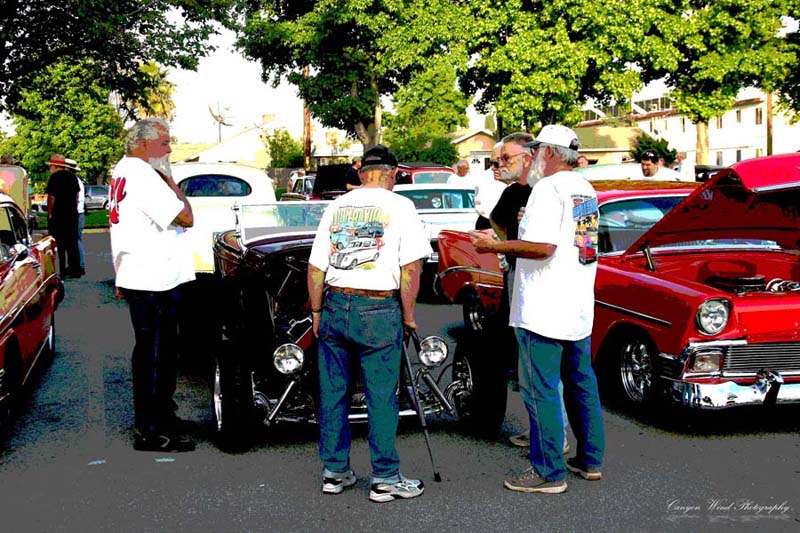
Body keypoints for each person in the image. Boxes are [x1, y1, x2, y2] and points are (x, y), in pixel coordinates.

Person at [471, 124, 606, 494]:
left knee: (542, 388)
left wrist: (494, 247)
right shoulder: (584, 188)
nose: (531, 157)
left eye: (536, 150)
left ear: (547, 152)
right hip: (577, 303)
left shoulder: (548, 189)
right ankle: (590, 459)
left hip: (545, 305)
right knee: (581, 382)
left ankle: (549, 472)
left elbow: (543, 247)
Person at [307, 144, 432, 502]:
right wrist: (408, 315)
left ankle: (335, 471)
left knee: (333, 393)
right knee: (381, 395)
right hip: (378, 307)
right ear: (392, 173)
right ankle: (385, 477)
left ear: (362, 174)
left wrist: (317, 312)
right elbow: (411, 268)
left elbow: (316, 267)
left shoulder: (336, 206)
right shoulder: (400, 206)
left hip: (335, 301)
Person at [109, 118, 196, 452]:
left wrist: (121, 271)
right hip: (155, 277)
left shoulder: (122, 170)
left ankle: (161, 416)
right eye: (164, 143)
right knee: (157, 355)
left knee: (154, 352)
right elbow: (186, 217)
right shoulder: (144, 175)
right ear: (143, 144)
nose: (170, 149)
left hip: (141, 273)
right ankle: (151, 429)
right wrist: (172, 181)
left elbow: (125, 229)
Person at [488, 132, 569, 455]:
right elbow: (494, 220)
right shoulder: (513, 193)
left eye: (506, 158)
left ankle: (553, 440)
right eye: (498, 160)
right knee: (529, 365)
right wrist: (504, 244)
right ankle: (542, 430)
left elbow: (546, 244)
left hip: (544, 286)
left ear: (529, 156)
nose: (500, 165)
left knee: (545, 368)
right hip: (520, 278)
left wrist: (511, 238)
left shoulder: (546, 190)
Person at [45, 154, 81, 278]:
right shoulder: (73, 178)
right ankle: (74, 269)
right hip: (71, 214)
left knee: (58, 244)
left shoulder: (54, 178)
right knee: (72, 242)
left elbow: (51, 198)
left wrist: (50, 213)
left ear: (55, 167)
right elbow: (76, 197)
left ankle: (61, 271)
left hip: (58, 214)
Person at [473, 143, 508, 230]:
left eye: (496, 163)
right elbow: (478, 202)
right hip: (487, 222)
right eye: (490, 163)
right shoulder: (484, 177)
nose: (492, 168)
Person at [67, 158, 87, 276]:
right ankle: (77, 264)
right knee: (75, 239)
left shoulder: (73, 180)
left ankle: (79, 265)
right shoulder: (76, 180)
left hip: (76, 212)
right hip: (79, 212)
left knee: (75, 240)